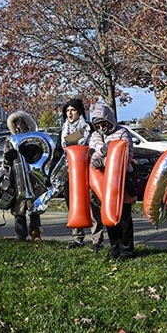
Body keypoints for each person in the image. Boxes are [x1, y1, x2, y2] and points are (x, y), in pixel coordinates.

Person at [88, 101, 136, 261]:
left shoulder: (123, 132)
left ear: (110, 120)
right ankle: (114, 248)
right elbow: (93, 157)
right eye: (98, 125)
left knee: (124, 218)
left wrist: (104, 159)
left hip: (121, 180)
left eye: (104, 124)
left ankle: (127, 250)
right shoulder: (95, 136)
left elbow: (126, 157)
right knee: (108, 216)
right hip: (103, 182)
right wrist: (103, 152)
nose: (101, 128)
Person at [60, 99, 100, 251]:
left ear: (80, 112)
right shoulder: (63, 129)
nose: (69, 113)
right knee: (74, 205)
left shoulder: (88, 128)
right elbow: (61, 149)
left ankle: (96, 239)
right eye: (67, 110)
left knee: (92, 205)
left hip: (87, 171)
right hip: (70, 173)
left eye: (73, 110)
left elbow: (94, 147)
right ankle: (77, 238)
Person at [1, 111, 47, 241]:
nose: (19, 126)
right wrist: (9, 158)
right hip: (16, 176)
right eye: (16, 123)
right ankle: (21, 235)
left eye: (22, 123)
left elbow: (42, 154)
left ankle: (36, 232)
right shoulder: (9, 140)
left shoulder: (34, 138)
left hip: (33, 175)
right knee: (18, 206)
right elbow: (5, 161)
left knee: (34, 205)